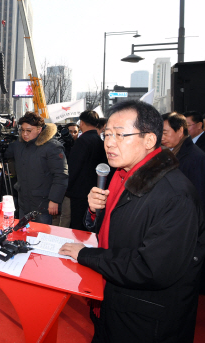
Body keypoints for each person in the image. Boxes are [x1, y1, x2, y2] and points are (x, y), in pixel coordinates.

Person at [59, 100, 205, 343]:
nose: (109, 143)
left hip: (147, 321)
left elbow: (152, 268)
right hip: (116, 305)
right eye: (107, 134)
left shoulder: (174, 195)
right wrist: (94, 212)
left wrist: (86, 255)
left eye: (120, 135)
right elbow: (116, 230)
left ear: (149, 140)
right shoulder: (122, 176)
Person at [0, 112, 68, 224]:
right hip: (24, 204)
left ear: (39, 130)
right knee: (23, 236)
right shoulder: (19, 145)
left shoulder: (52, 147)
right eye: (22, 130)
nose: (25, 134)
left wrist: (55, 200)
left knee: (41, 237)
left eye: (29, 130)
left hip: (43, 205)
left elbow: (61, 175)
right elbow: (1, 154)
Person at [65, 110, 107, 231]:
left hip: (79, 192)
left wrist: (67, 187)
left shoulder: (82, 141)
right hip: (96, 190)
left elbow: (73, 167)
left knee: (78, 224)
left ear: (82, 123)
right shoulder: (100, 141)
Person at [161, 112, 205, 207]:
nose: (162, 138)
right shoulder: (169, 152)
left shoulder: (195, 157)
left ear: (180, 131)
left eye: (165, 133)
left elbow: (199, 196)